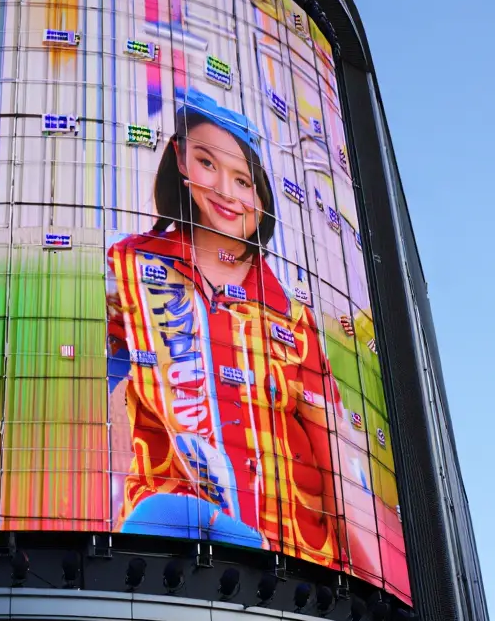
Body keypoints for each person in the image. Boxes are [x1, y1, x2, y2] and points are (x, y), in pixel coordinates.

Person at [106, 87, 375, 573]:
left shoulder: (291, 317)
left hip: (291, 559)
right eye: (208, 163)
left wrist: (371, 577)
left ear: (262, 196)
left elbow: (335, 458)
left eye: (244, 181)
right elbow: (92, 387)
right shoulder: (129, 267)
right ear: (181, 159)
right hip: (169, 537)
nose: (228, 193)